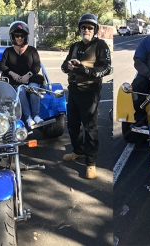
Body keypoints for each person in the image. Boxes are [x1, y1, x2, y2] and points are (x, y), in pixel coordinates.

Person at [61, 13, 112, 179]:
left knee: (90, 127)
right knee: (73, 124)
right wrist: (68, 66)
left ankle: (91, 162)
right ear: (80, 29)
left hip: (90, 91)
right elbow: (63, 66)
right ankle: (78, 150)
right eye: (83, 27)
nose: (86, 30)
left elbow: (106, 68)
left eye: (90, 27)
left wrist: (85, 70)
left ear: (95, 29)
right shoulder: (74, 46)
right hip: (74, 90)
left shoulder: (100, 45)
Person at [1, 21, 46, 128]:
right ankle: (28, 118)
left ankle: (36, 116)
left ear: (25, 36)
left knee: (33, 88)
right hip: (15, 81)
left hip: (31, 79)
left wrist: (27, 75)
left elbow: (37, 66)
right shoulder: (8, 51)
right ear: (13, 37)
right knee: (20, 90)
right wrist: (13, 74)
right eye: (17, 36)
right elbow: (3, 66)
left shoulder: (32, 50)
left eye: (22, 35)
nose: (19, 38)